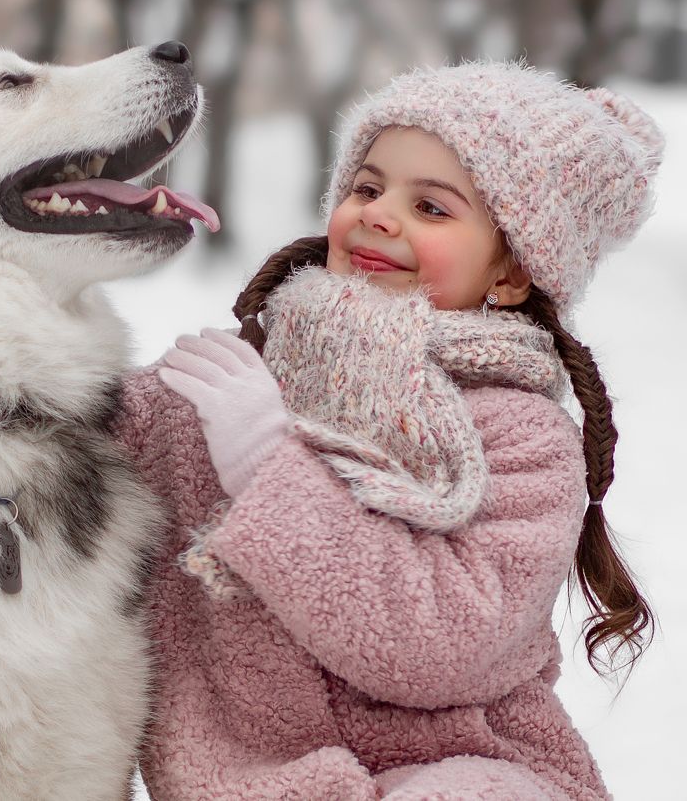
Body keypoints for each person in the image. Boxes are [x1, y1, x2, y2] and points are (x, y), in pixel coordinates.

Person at [117, 61, 663, 799]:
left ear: (510, 275)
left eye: (432, 208)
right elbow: (59, 436)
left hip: (472, 773)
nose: (378, 213)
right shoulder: (230, 384)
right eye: (367, 187)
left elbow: (442, 643)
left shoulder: (523, 440)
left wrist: (269, 473)